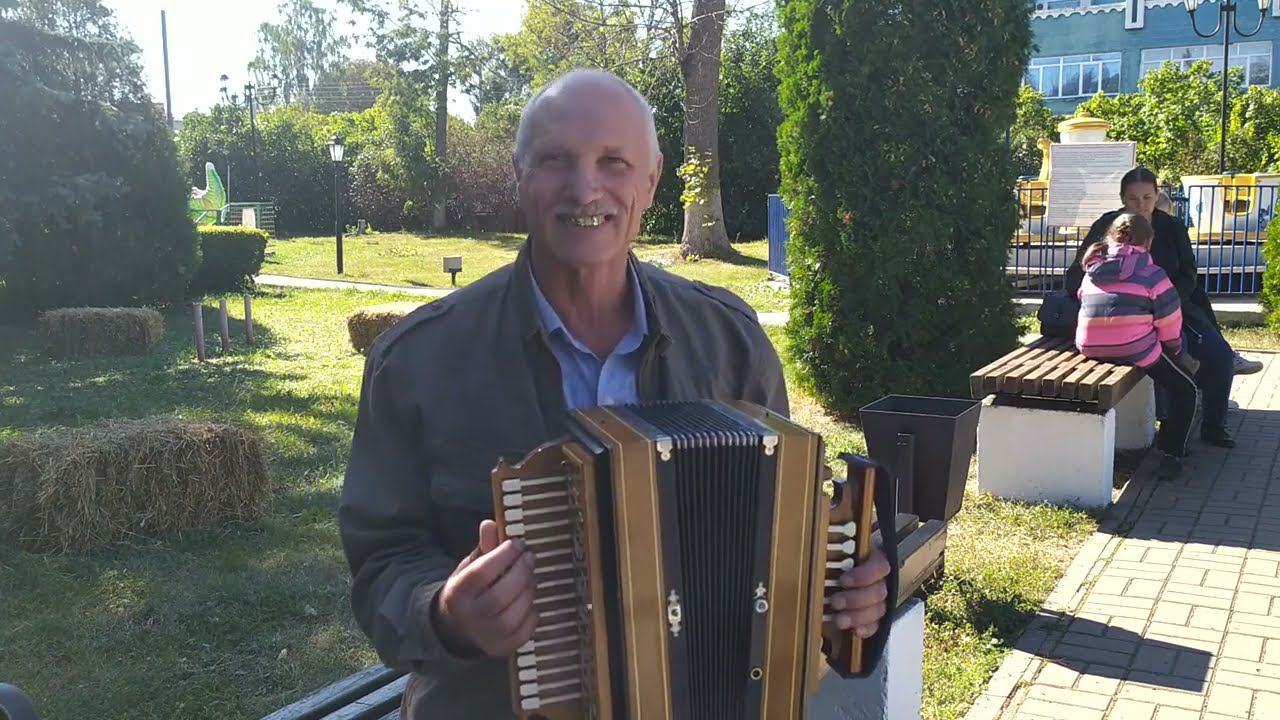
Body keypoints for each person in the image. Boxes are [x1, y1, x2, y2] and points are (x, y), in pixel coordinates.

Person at [338, 69, 892, 720]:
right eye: (555, 160)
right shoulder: (418, 361)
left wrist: (849, 590)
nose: (585, 188)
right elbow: (382, 563)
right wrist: (445, 613)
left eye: (613, 161)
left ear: (652, 181)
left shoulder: (731, 342)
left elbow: (783, 538)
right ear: (519, 175)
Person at [1066, 168, 1243, 449]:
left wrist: (1169, 300)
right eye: (1133, 199)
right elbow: (1078, 273)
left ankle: (1213, 424)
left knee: (1219, 355)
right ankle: (1169, 429)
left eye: (1148, 197)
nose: (1141, 205)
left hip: (1175, 307)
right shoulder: (1106, 225)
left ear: (1157, 195)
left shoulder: (1171, 227)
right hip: (1124, 319)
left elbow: (1188, 274)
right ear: (1122, 198)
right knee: (1172, 359)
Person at [1075, 212, 1200, 478]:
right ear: (1149, 242)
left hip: (1089, 346)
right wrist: (1176, 351)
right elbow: (1168, 321)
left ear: (1109, 238)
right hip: (1134, 348)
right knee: (1186, 388)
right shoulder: (1152, 273)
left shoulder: (1092, 267)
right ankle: (1171, 454)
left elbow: (1084, 301)